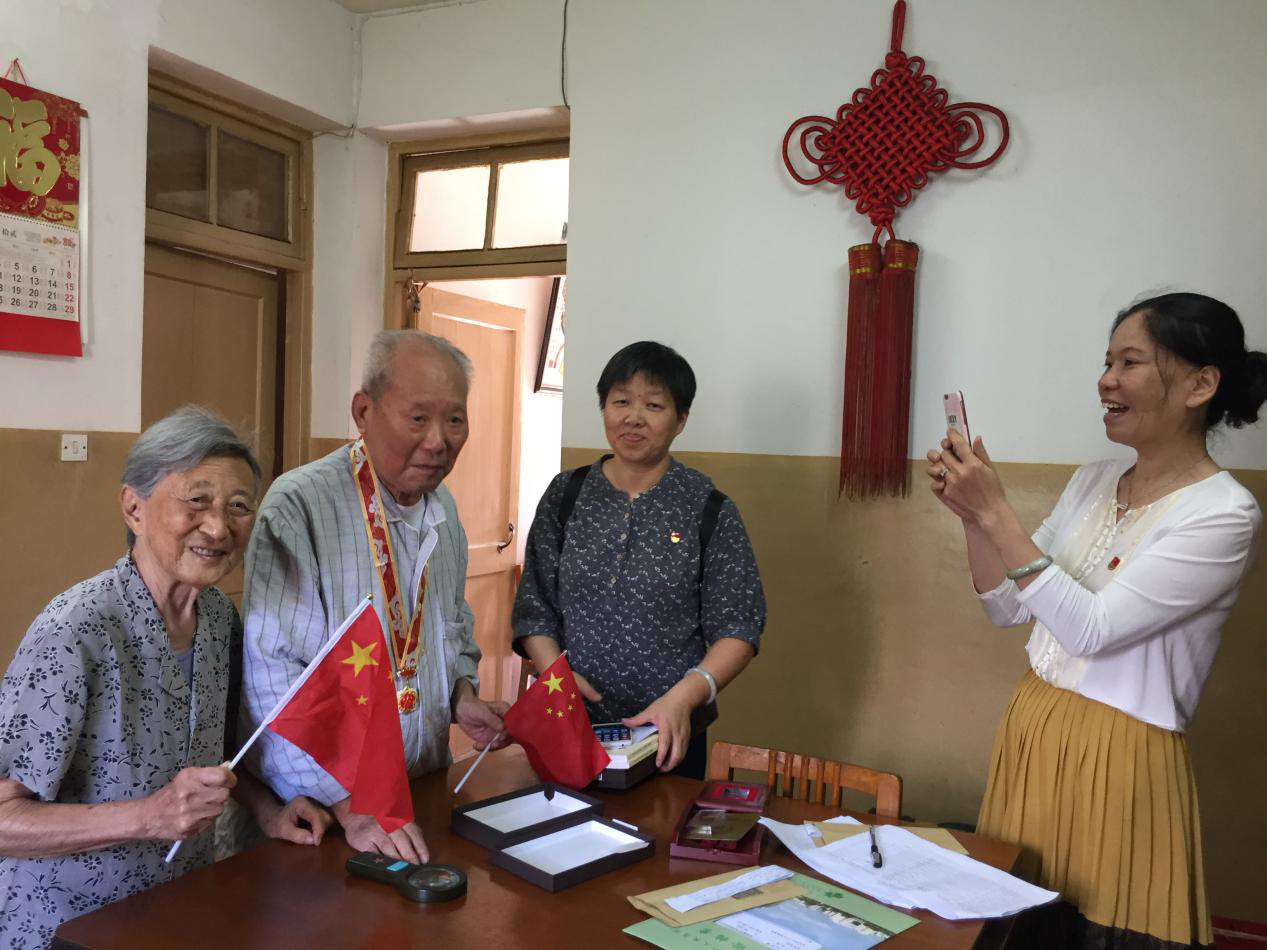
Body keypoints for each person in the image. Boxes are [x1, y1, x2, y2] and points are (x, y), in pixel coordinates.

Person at [926, 292, 1266, 949]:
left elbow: (1091, 629)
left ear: (1200, 384)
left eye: (1129, 362)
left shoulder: (1223, 515)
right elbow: (1005, 606)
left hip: (1121, 752)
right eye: (1106, 362)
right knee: (1014, 926)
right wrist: (972, 517)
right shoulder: (1092, 480)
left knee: (1098, 932)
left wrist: (996, 513)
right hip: (1034, 725)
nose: (1106, 380)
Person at [0, 407, 330, 950]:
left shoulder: (219, 618)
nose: (218, 527)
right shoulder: (74, 632)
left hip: (178, 910)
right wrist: (148, 817)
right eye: (196, 500)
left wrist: (268, 811)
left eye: (238, 506)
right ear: (134, 508)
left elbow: (221, 753)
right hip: (67, 928)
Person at [241, 330, 509, 865]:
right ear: (363, 411)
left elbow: (452, 626)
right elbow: (274, 683)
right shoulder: (299, 505)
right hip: (319, 818)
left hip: (415, 795)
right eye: (418, 418)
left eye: (455, 420)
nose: (438, 441)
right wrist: (352, 804)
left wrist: (462, 697)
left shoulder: (443, 507)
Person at [513, 341, 766, 778]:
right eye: (621, 401)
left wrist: (684, 698)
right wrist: (557, 676)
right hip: (570, 722)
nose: (633, 417)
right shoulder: (566, 495)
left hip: (669, 735)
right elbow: (534, 608)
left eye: (653, 405)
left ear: (680, 419)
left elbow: (739, 627)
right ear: (604, 408)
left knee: (663, 823)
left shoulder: (707, 507)